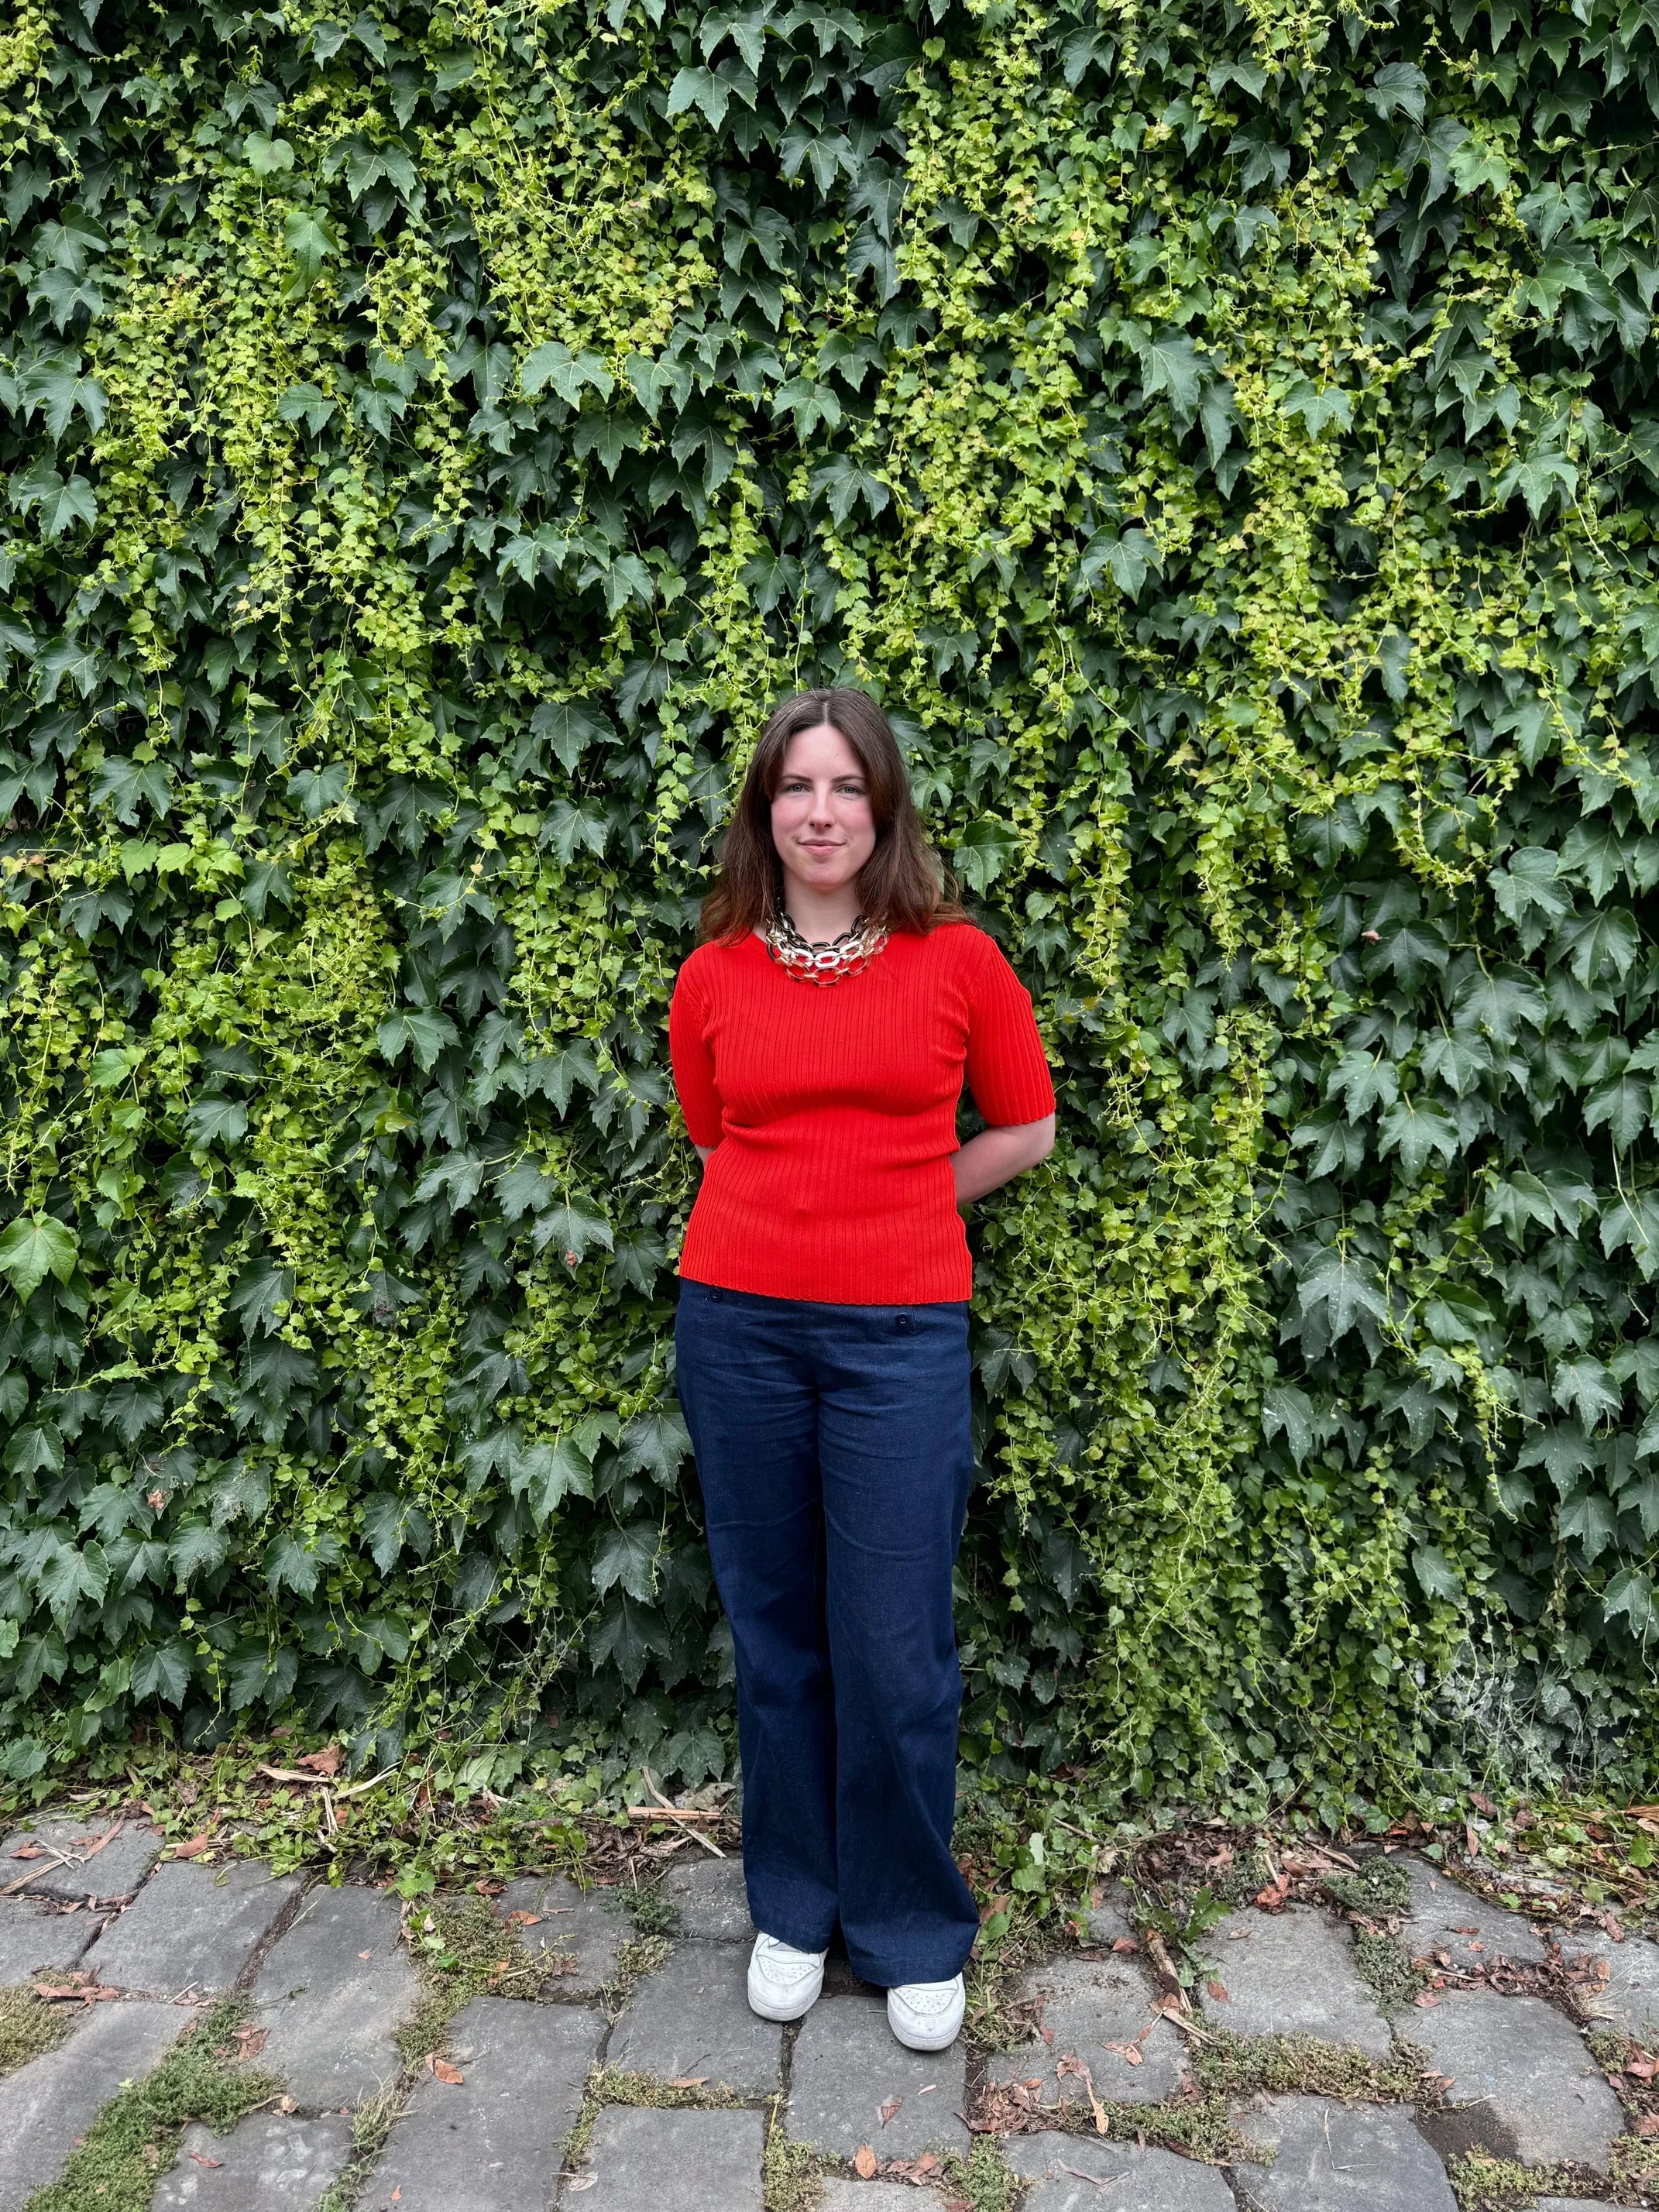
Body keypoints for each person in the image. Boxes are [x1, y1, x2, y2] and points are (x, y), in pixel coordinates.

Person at [667, 687, 1056, 2051]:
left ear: (881, 806)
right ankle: (794, 1907)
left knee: (894, 1647)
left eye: (846, 787)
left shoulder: (956, 961)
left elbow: (1026, 1126)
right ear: (762, 811)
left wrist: (904, 1199)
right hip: (739, 1328)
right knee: (776, 1639)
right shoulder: (713, 972)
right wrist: (805, 1219)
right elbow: (717, 1139)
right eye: (795, 788)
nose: (820, 813)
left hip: (898, 1337)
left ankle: (907, 1928)